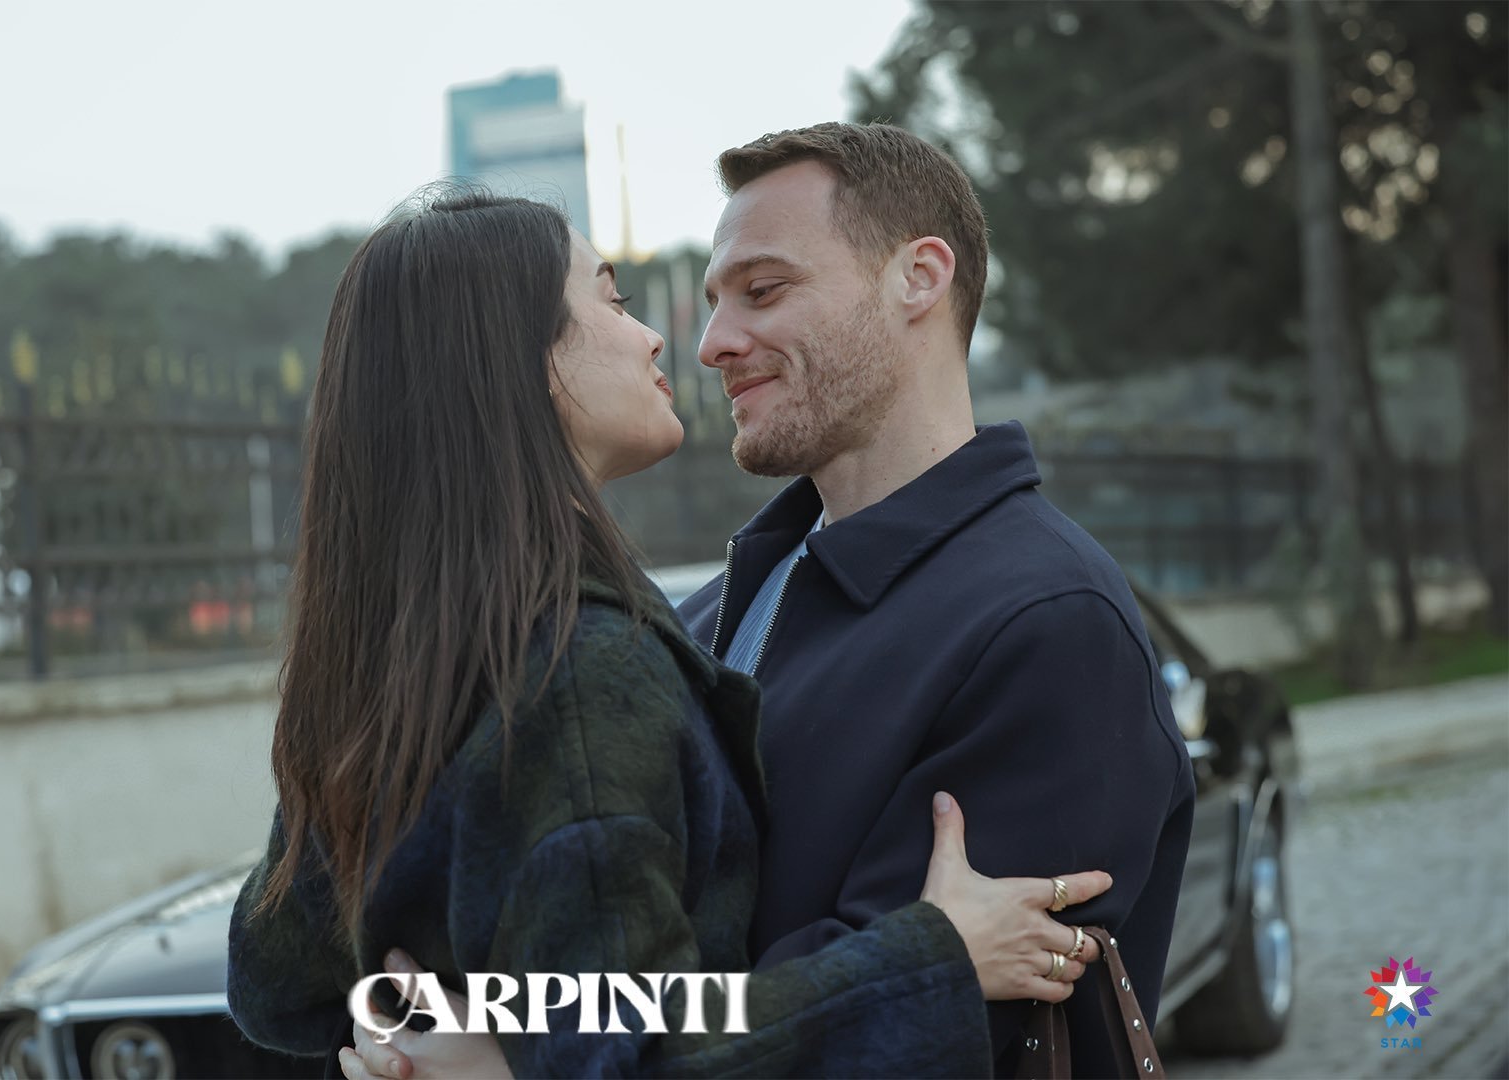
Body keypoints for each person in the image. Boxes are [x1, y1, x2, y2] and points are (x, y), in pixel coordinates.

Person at [345, 125, 1195, 1080]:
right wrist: (477, 1027)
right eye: (714, 302)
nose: (711, 344)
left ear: (919, 278)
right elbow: (590, 974)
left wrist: (515, 1055)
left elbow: (905, 1052)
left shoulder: (1048, 624)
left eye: (764, 290)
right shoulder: (699, 620)